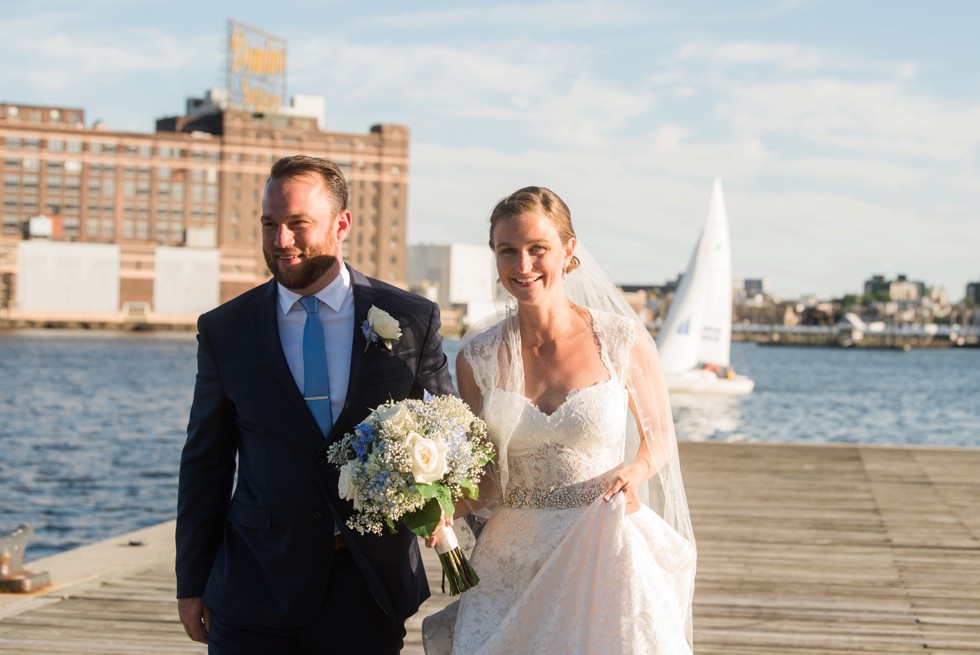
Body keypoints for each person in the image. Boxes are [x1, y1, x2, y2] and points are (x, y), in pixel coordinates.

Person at [176, 155, 455, 654]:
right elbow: (206, 462)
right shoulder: (226, 329)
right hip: (253, 585)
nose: (281, 241)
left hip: (368, 585)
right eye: (270, 225)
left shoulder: (410, 319)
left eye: (298, 224)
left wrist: (441, 502)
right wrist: (191, 582)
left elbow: (447, 435)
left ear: (341, 223)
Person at [422, 187, 697, 654]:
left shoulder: (621, 340)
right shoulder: (477, 358)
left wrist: (637, 471)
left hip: (601, 544)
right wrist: (442, 508)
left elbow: (660, 436)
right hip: (511, 561)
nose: (522, 265)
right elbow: (487, 479)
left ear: (568, 251)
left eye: (537, 249)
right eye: (507, 251)